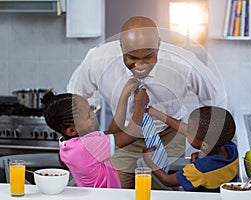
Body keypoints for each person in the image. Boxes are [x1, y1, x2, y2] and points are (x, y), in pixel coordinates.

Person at [67, 16, 227, 189]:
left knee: (166, 193)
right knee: (117, 192)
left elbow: (215, 97)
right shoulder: (97, 60)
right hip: (121, 138)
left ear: (158, 44)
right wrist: (81, 144)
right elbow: (74, 97)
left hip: (168, 136)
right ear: (121, 47)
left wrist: (208, 145)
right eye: (132, 57)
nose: (140, 65)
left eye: (148, 56)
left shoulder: (183, 62)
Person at [41, 79, 149, 188]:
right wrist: (139, 104)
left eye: (91, 110)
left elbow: (114, 132)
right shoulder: (87, 146)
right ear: (72, 131)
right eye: (88, 116)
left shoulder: (68, 144)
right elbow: (130, 136)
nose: (93, 115)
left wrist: (124, 95)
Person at [142, 106, 239, 192]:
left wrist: (149, 161)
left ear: (204, 145)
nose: (186, 131)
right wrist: (157, 114)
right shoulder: (231, 149)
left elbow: (167, 181)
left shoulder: (200, 169)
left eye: (189, 132)